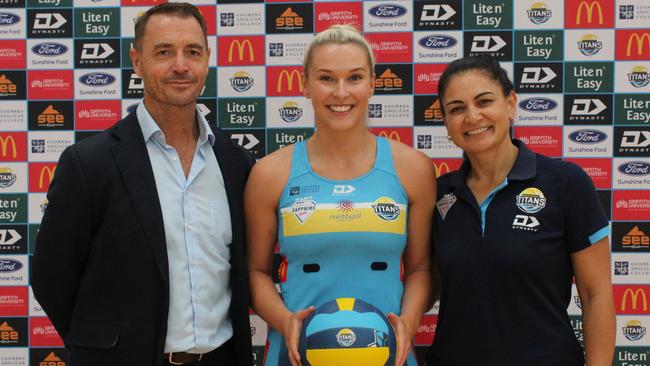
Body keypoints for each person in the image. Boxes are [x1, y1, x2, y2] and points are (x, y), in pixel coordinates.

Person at [30, 3, 254, 365]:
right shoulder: (90, 164)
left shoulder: (236, 164)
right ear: (137, 61)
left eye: (192, 52)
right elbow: (51, 276)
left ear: (207, 60)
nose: (180, 65)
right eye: (164, 52)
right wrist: (101, 347)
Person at [245, 24, 436, 366]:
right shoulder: (270, 174)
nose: (341, 92)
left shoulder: (413, 168)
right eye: (327, 78)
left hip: (389, 353)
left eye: (355, 77)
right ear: (305, 85)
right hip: (295, 356)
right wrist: (284, 320)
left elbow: (420, 267)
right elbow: (256, 272)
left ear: (373, 83)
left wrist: (408, 322)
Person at [427, 56, 615, 365]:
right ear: (446, 123)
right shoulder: (438, 193)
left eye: (484, 101)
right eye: (457, 108)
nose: (472, 116)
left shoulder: (565, 182)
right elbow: (425, 283)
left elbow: (596, 295)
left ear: (510, 104)